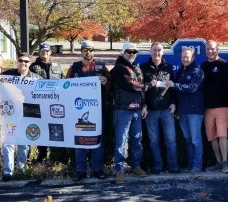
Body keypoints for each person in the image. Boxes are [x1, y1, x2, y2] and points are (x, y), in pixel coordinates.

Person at [66, 40, 111, 182]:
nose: (88, 52)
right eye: (85, 50)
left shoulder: (102, 66)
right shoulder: (74, 67)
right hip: (78, 111)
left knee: (97, 140)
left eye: (91, 50)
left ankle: (97, 169)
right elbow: (65, 86)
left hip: (98, 111)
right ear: (81, 52)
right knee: (80, 141)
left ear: (94, 51)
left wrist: (106, 81)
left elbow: (112, 85)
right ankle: (81, 170)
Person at [0, 53, 42, 181]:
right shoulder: (7, 75)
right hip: (10, 114)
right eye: (21, 60)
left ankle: (21, 170)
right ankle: (8, 172)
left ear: (30, 63)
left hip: (28, 113)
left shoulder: (36, 78)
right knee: (8, 143)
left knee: (24, 143)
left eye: (26, 61)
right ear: (16, 61)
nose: (23, 63)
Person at [112, 42, 149, 183]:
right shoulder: (118, 69)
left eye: (134, 52)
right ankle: (119, 170)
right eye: (129, 51)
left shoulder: (137, 68)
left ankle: (136, 166)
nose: (131, 54)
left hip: (137, 110)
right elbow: (133, 86)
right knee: (121, 141)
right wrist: (148, 86)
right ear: (122, 53)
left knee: (137, 140)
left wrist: (144, 105)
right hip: (122, 110)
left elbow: (141, 92)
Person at [141, 42, 179, 174]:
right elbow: (140, 89)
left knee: (171, 140)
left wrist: (174, 103)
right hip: (150, 110)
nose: (156, 53)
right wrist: (144, 105)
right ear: (150, 52)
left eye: (159, 50)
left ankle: (173, 166)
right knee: (154, 141)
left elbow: (173, 87)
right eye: (154, 50)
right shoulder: (143, 67)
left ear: (162, 52)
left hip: (166, 110)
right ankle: (158, 166)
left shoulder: (168, 67)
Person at [167, 47, 204, 173]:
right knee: (188, 140)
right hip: (182, 112)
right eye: (183, 57)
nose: (185, 59)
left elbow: (192, 88)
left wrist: (174, 85)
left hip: (195, 112)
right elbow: (175, 92)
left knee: (195, 140)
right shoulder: (180, 72)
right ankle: (191, 164)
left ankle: (197, 166)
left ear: (193, 58)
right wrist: (173, 103)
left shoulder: (198, 71)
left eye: (187, 56)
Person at [201, 40, 228, 173]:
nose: (210, 51)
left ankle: (226, 163)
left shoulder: (225, 65)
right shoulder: (203, 65)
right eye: (208, 49)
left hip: (222, 107)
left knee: (222, 135)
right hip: (207, 108)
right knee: (212, 136)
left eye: (212, 49)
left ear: (217, 49)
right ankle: (218, 162)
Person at [30, 43, 64, 163]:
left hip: (55, 103)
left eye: (47, 51)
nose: (45, 53)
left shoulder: (58, 66)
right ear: (39, 52)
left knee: (56, 128)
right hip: (39, 104)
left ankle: (56, 155)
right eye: (42, 51)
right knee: (41, 128)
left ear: (50, 53)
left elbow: (64, 82)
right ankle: (42, 154)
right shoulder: (33, 67)